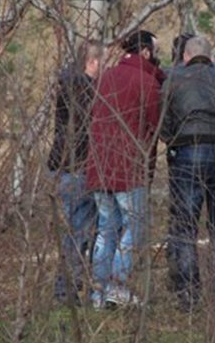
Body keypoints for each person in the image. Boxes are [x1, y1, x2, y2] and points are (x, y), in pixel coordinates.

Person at [161, 35, 215, 311]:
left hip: (188, 152)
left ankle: (189, 294)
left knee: (185, 226)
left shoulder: (173, 78)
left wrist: (174, 141)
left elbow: (163, 120)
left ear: (185, 56)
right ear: (211, 56)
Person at [86, 30, 165, 308]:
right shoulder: (148, 83)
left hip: (98, 166)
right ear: (145, 52)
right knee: (135, 226)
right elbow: (158, 128)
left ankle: (99, 291)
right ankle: (116, 286)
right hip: (129, 169)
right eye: (156, 51)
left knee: (106, 229)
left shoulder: (102, 79)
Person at [49, 41, 104, 304]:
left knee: (74, 229)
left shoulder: (67, 84)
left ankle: (68, 286)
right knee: (79, 231)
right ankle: (65, 290)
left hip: (63, 165)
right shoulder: (84, 90)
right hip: (77, 166)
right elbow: (87, 129)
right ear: (92, 62)